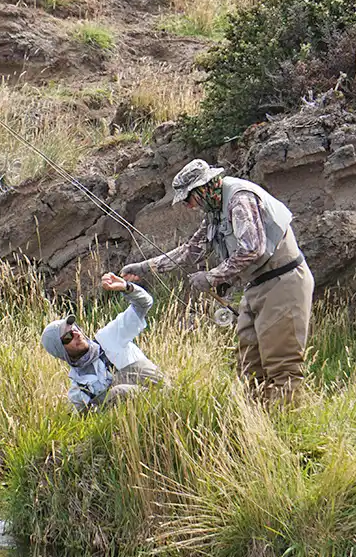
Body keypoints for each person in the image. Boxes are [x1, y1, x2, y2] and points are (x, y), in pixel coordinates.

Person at [121, 159, 314, 403]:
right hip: (256, 287)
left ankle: (287, 419)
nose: (189, 206)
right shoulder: (215, 210)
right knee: (249, 365)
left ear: (202, 189)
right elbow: (190, 251)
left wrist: (212, 277)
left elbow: (252, 249)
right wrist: (144, 268)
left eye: (188, 198)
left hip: (283, 282)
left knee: (281, 365)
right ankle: (259, 419)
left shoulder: (240, 200)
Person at [39, 272, 168, 412]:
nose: (76, 334)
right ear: (61, 351)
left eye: (74, 328)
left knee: (117, 393)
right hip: (139, 420)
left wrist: (127, 287)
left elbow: (144, 304)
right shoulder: (79, 391)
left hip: (165, 396)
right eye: (68, 337)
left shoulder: (109, 337)